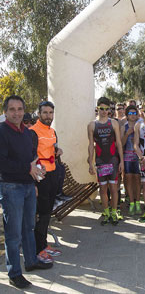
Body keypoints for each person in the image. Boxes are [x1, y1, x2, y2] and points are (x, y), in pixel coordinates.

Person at [0, 95, 52, 289]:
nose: (16, 113)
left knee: (28, 227)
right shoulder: (2, 131)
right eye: (12, 109)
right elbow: (2, 163)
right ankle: (14, 273)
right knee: (13, 234)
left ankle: (31, 262)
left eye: (19, 109)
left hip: (29, 186)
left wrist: (37, 173)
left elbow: (31, 158)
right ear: (6, 111)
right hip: (11, 188)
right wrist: (27, 168)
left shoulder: (26, 132)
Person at [30, 101, 64, 263]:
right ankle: (38, 249)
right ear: (39, 114)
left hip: (52, 175)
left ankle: (44, 245)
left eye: (51, 113)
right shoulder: (32, 132)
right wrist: (34, 183)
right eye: (45, 113)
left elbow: (51, 151)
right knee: (42, 214)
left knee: (46, 213)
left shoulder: (52, 131)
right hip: (39, 178)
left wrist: (57, 152)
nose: (48, 116)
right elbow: (30, 157)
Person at [87, 97, 124, 226]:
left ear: (109, 110)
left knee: (114, 188)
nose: (104, 111)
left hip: (113, 160)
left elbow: (119, 143)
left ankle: (114, 212)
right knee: (103, 190)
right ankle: (107, 213)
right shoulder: (92, 125)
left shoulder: (113, 123)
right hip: (101, 161)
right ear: (97, 108)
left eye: (106, 109)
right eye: (101, 108)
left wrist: (122, 162)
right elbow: (91, 145)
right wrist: (91, 163)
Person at [120, 105, 141, 215]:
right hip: (127, 156)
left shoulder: (140, 126)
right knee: (128, 179)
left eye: (134, 113)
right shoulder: (124, 127)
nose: (132, 116)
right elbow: (121, 143)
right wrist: (127, 134)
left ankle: (138, 202)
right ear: (127, 115)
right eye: (130, 114)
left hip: (137, 156)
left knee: (138, 180)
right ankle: (131, 202)